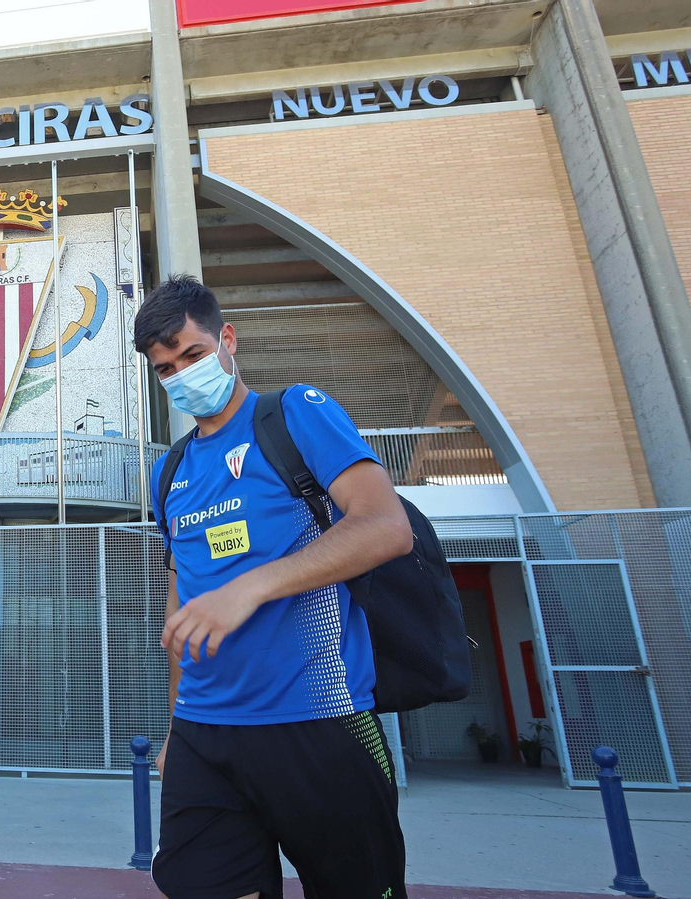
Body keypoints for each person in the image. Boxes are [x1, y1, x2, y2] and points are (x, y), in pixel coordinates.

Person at [136, 275, 415, 899]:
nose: (182, 374)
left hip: (317, 720)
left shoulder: (294, 414)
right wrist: (178, 723)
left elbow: (386, 527)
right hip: (204, 736)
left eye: (193, 355)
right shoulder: (171, 470)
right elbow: (186, 594)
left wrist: (254, 585)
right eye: (166, 369)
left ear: (227, 340)